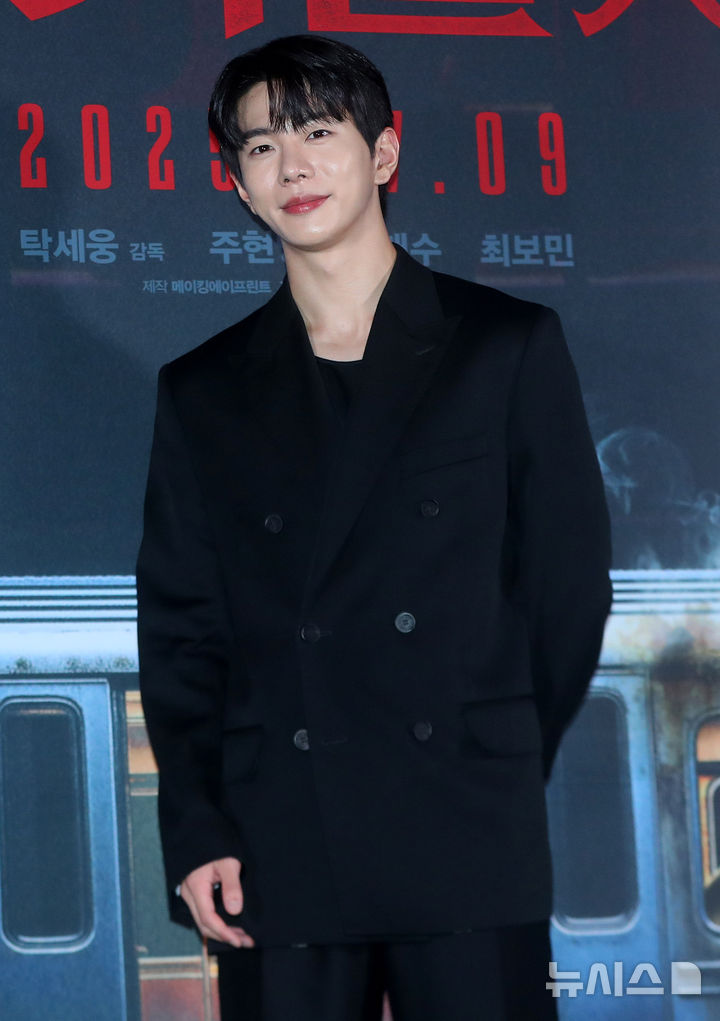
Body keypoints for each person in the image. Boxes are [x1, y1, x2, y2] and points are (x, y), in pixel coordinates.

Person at [136, 33, 612, 1020]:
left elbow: (567, 586)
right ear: (238, 185)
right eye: (261, 145)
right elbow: (183, 629)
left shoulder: (506, 347)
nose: (292, 165)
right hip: (280, 836)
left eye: (318, 131)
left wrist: (496, 752)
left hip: (465, 823)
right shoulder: (203, 390)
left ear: (385, 152)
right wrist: (197, 827)